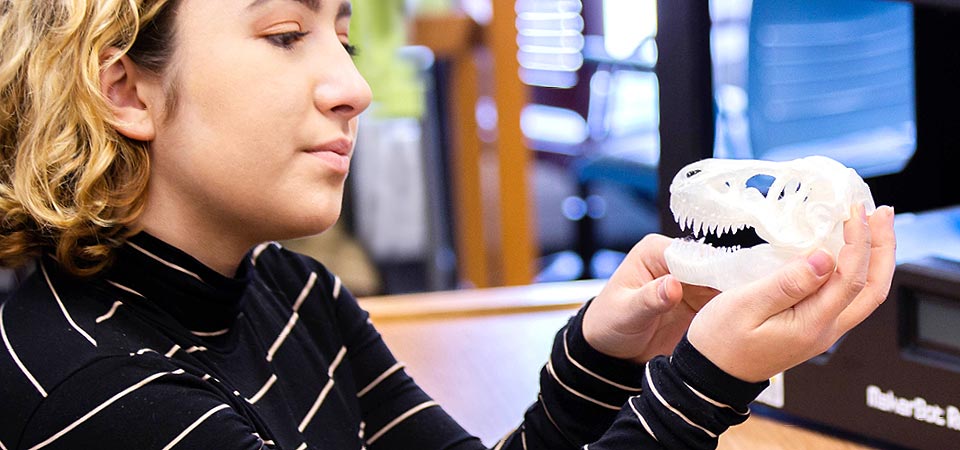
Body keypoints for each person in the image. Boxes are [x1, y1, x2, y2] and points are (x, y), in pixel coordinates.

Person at [0, 0, 898, 448]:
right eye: (284, 35)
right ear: (126, 89)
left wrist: (603, 354)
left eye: (342, 35)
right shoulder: (105, 395)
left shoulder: (289, 289)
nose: (351, 87)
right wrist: (705, 383)